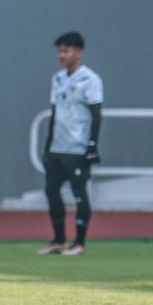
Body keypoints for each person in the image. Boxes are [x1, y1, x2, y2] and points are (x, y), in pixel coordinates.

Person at [36, 31, 103, 256]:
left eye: (66, 51)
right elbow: (55, 113)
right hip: (58, 147)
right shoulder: (57, 79)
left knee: (79, 193)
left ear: (79, 52)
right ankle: (58, 240)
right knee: (51, 192)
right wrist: (47, 146)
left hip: (77, 147)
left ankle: (80, 243)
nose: (61, 55)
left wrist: (92, 145)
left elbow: (96, 114)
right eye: (60, 51)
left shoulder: (90, 80)